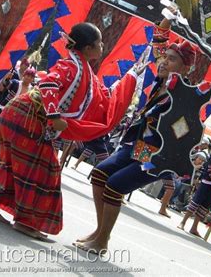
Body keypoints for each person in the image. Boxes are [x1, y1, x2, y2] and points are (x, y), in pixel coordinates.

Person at [0, 23, 144, 240]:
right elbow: (48, 85)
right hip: (29, 116)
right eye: (99, 43)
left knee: (19, 166)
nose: (103, 46)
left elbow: (105, 96)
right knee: (45, 171)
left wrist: (130, 78)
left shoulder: (82, 69)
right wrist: (54, 116)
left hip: (26, 116)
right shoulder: (72, 67)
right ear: (87, 48)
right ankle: (28, 222)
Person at [74, 39, 198, 255]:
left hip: (157, 157)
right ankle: (99, 231)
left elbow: (183, 133)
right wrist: (169, 19)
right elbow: (159, 42)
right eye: (164, 57)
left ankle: (102, 240)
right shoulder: (162, 84)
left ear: (186, 68)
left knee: (115, 184)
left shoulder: (184, 96)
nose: (164, 62)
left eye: (172, 59)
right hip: (137, 146)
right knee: (99, 174)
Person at [177, 150, 211, 237]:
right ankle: (183, 222)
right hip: (206, 183)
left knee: (204, 207)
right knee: (195, 202)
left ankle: (194, 227)